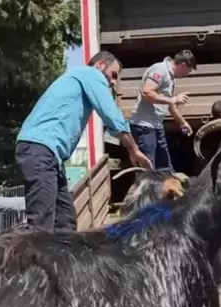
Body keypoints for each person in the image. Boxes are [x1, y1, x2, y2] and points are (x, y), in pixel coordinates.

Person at [15, 51, 153, 232]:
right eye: (113, 75)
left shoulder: (77, 80)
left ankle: (62, 259)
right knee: (41, 225)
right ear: (100, 64)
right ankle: (29, 259)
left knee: (65, 220)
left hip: (49, 156)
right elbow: (111, 116)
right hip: (39, 150)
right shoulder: (90, 74)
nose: (113, 82)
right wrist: (133, 149)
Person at [128, 50, 197, 171]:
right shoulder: (160, 70)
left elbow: (170, 105)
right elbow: (147, 92)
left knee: (165, 169)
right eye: (189, 70)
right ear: (183, 65)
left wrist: (183, 123)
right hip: (144, 127)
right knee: (148, 170)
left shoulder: (171, 78)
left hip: (156, 127)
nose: (188, 73)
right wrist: (173, 99)